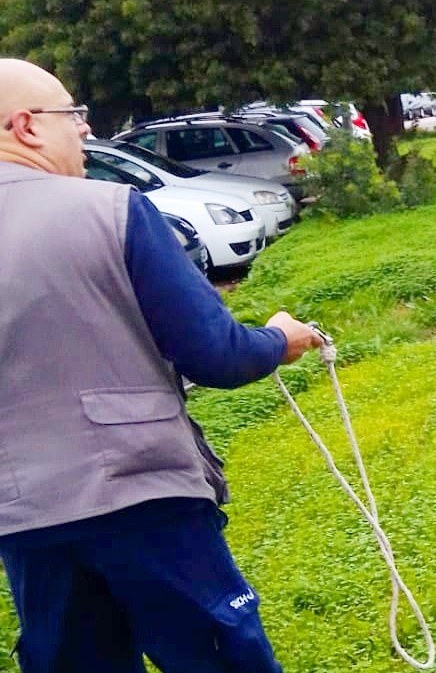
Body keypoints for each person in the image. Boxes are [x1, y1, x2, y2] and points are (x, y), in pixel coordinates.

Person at [0, 58, 324, 672]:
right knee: (218, 656)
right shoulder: (113, 209)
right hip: (142, 491)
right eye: (74, 115)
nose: (87, 132)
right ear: (27, 126)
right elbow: (217, 355)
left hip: (23, 518)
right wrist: (280, 338)